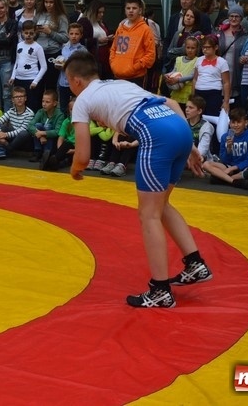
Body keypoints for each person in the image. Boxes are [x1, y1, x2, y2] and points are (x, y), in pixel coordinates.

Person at [65, 51, 210, 308]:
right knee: (161, 205)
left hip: (157, 137)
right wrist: (190, 146)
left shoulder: (82, 101)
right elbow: (172, 104)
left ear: (76, 80)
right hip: (179, 129)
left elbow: (83, 155)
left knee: (148, 214)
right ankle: (195, 262)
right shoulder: (119, 84)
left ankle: (160, 290)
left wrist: (76, 169)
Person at [202, 107, 248, 189]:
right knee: (206, 164)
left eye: (239, 122)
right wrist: (229, 149)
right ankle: (234, 182)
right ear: (229, 123)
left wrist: (233, 168)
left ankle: (222, 178)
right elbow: (223, 160)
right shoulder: (225, 137)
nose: (235, 125)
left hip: (243, 168)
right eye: (233, 122)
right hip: (228, 166)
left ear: (245, 123)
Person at [109, 0, 156, 86]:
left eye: (134, 8)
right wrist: (113, 64)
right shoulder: (120, 28)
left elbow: (150, 55)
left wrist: (135, 67)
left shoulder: (145, 29)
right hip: (117, 75)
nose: (131, 10)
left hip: (136, 78)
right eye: (128, 8)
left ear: (140, 10)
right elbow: (113, 49)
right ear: (125, 10)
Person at [34, 0, 69, 91]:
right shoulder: (39, 15)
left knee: (50, 85)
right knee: (37, 85)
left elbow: (65, 38)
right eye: (46, 2)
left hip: (52, 54)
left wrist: (50, 32)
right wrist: (34, 32)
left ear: (56, 2)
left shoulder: (61, 17)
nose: (48, 5)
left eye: (51, 2)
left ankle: (51, 106)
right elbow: (30, 33)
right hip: (38, 53)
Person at [10, 20, 47, 112]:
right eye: (26, 33)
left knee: (32, 104)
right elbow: (17, 62)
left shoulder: (38, 47)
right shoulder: (19, 45)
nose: (28, 35)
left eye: (31, 33)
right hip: (19, 79)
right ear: (22, 33)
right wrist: (13, 76)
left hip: (31, 80)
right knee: (19, 103)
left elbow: (44, 67)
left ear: (35, 33)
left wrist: (36, 81)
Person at [191, 34, 230, 118]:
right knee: (197, 117)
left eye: (208, 47)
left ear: (216, 47)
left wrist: (226, 101)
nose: (205, 50)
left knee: (212, 116)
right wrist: (193, 96)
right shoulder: (199, 60)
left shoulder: (222, 62)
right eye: (203, 47)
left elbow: (226, 82)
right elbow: (195, 79)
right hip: (199, 92)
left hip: (214, 93)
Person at [0, 85, 34, 159]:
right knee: (1, 126)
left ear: (25, 98)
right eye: (16, 97)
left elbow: (22, 129)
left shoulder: (30, 113)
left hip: (23, 141)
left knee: (24, 133)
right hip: (12, 137)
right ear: (13, 100)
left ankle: (7, 149)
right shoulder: (11, 111)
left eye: (21, 96)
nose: (19, 99)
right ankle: (0, 149)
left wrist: (6, 135)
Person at [55, 23, 88, 113]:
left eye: (77, 34)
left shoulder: (83, 50)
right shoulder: (63, 47)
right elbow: (60, 61)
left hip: (76, 83)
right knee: (63, 107)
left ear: (81, 35)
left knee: (76, 105)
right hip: (63, 82)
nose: (74, 36)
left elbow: (84, 67)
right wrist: (58, 65)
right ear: (68, 34)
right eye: (71, 34)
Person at [26, 89, 65, 163]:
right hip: (41, 139)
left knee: (48, 126)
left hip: (53, 141)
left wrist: (42, 133)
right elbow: (30, 125)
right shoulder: (40, 111)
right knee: (37, 125)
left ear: (55, 103)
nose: (44, 104)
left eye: (47, 102)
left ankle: (47, 153)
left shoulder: (60, 115)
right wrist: (41, 135)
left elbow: (57, 132)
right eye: (43, 101)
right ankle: (37, 151)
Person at [77, 0, 113, 79]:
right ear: (92, 11)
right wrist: (97, 41)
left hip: (105, 58)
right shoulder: (84, 22)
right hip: (92, 59)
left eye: (103, 12)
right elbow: (80, 40)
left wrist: (110, 38)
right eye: (99, 12)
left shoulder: (101, 22)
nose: (101, 15)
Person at [163, 35, 199, 108]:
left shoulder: (197, 60)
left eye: (193, 48)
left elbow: (192, 76)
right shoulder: (178, 59)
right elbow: (174, 71)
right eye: (188, 47)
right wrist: (168, 76)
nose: (190, 50)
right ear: (185, 48)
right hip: (177, 91)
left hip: (188, 91)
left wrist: (178, 80)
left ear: (197, 49)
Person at [42, 97, 77, 171]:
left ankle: (50, 163)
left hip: (79, 149)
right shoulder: (66, 121)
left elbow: (86, 144)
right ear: (69, 110)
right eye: (71, 109)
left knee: (69, 157)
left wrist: (72, 151)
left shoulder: (86, 123)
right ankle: (54, 161)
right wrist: (60, 149)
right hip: (67, 146)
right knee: (64, 145)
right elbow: (61, 137)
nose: (74, 112)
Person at [185, 95, 214, 162]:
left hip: (201, 162)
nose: (187, 110)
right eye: (186, 107)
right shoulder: (182, 123)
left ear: (199, 111)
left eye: (191, 108)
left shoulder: (206, 127)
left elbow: (201, 152)